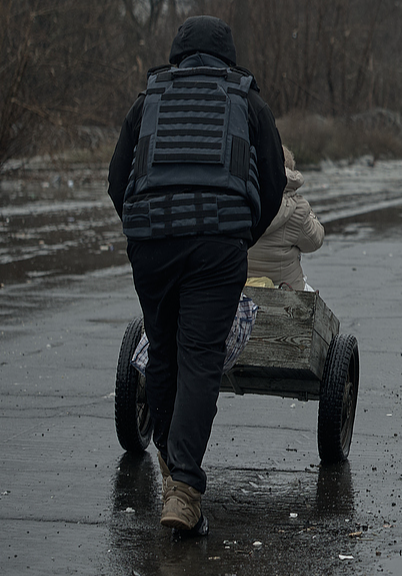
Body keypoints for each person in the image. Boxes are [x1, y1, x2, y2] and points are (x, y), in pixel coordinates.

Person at [107, 15, 286, 537]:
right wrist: (237, 236)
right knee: (201, 358)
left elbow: (117, 180)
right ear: (227, 56)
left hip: (151, 245)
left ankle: (171, 464)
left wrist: (144, 229)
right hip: (217, 245)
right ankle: (183, 487)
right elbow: (272, 184)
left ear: (178, 54)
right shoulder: (247, 101)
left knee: (163, 351)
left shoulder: (148, 101)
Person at [246, 145, 324, 291]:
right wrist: (308, 211)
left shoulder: (242, 203)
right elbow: (315, 241)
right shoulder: (298, 209)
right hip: (286, 290)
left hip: (241, 289)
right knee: (310, 295)